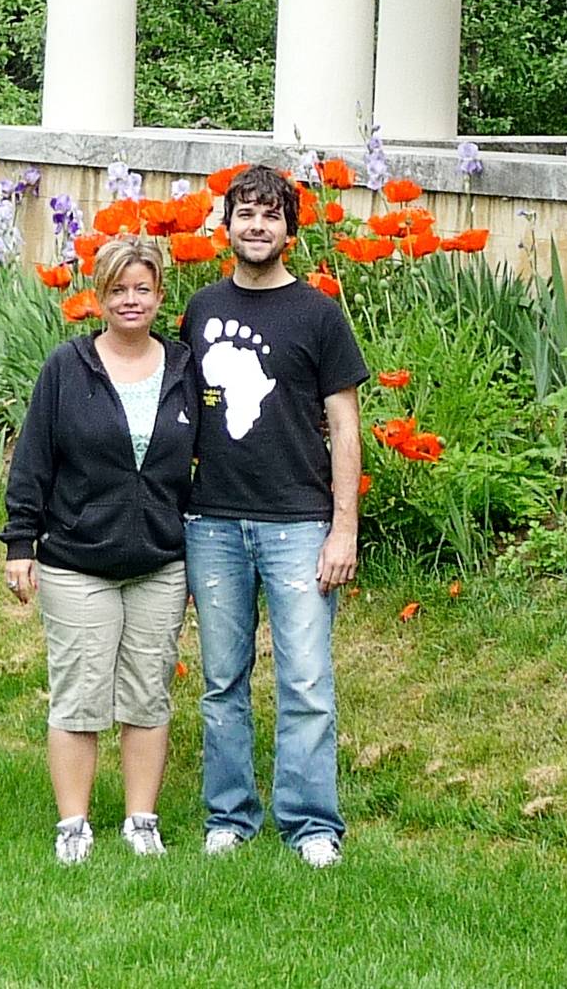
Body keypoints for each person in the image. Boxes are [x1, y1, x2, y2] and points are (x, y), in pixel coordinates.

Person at [183, 162, 366, 867]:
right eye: (245, 214)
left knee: (307, 683)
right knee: (221, 680)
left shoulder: (318, 314)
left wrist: (342, 527)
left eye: (270, 215)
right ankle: (229, 817)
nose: (256, 227)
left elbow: (345, 426)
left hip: (298, 524)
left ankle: (312, 826)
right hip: (214, 522)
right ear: (226, 225)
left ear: (289, 229)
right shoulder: (200, 309)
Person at [1, 235, 195, 865]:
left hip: (159, 563)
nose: (130, 301)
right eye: (118, 290)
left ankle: (142, 819)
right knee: (80, 695)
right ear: (99, 298)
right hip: (77, 561)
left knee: (148, 694)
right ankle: (74, 825)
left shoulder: (185, 368)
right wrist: (19, 542)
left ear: (160, 296)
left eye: (142, 289)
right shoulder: (67, 367)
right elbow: (33, 459)